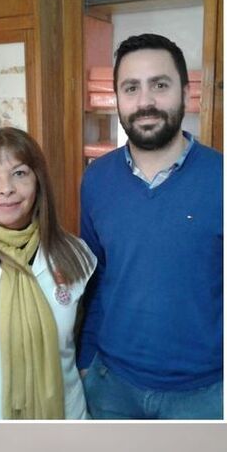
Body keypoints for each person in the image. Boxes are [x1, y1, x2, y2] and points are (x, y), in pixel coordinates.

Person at [78, 33, 223, 419]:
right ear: (118, 99)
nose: (145, 102)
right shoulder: (96, 180)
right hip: (111, 387)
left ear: (185, 92)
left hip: (205, 396)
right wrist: (86, 359)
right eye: (131, 88)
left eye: (160, 85)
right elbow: (97, 278)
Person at [0, 127, 95, 419]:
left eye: (19, 173)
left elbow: (81, 339)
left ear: (38, 181)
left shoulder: (78, 255)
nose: (5, 188)